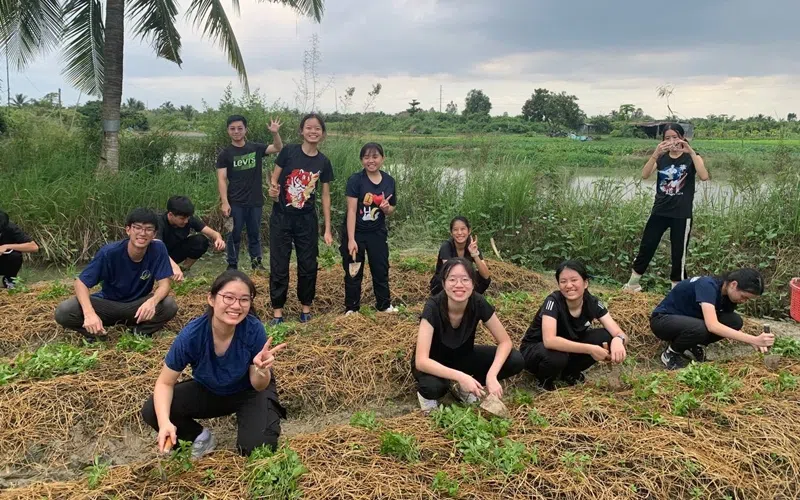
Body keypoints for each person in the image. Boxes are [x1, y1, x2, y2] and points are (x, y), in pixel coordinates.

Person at [141, 270, 287, 458]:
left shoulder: (253, 329)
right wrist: (164, 423)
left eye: (244, 299)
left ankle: (252, 421)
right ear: (211, 299)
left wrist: (261, 370)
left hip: (249, 391)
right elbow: (164, 383)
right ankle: (199, 437)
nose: (236, 305)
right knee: (153, 410)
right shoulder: (192, 335)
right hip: (211, 389)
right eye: (228, 297)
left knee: (257, 449)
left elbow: (259, 385)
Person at [413, 257, 524, 413]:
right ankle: (431, 394)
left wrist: (491, 376)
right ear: (444, 283)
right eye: (452, 279)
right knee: (434, 388)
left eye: (465, 279)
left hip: (462, 357)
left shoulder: (478, 302)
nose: (459, 285)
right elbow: (421, 361)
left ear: (473, 283)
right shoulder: (433, 306)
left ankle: (464, 387)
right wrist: (461, 376)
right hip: (434, 363)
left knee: (515, 359)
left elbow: (505, 341)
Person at [54, 208, 178, 339]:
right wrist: (89, 313)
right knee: (64, 311)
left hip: (137, 306)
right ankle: (96, 334)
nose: (142, 233)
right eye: (137, 228)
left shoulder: (158, 249)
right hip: (107, 304)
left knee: (169, 305)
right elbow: (80, 283)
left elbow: (165, 284)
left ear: (154, 234)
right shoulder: (109, 252)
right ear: (128, 230)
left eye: (148, 229)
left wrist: (152, 301)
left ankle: (139, 332)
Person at [624, 123, 709, 292]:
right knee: (647, 246)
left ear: (683, 138)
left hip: (681, 214)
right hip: (660, 211)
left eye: (675, 137)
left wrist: (691, 152)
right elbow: (645, 175)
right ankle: (633, 284)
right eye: (667, 138)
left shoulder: (693, 157)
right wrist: (655, 154)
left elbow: (704, 176)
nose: (672, 141)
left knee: (678, 253)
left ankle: (677, 291)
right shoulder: (662, 158)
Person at [267, 113, 334, 325]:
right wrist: (273, 191)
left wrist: (327, 228)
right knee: (279, 263)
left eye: (317, 128)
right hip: (282, 217)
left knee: (308, 264)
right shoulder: (288, 151)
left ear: (323, 134)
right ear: (301, 131)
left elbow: (325, 196)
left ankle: (306, 308)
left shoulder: (324, 162)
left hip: (307, 220)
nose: (313, 131)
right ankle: (278, 311)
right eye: (309, 127)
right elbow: (274, 180)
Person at [520, 260, 628, 391]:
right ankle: (544, 382)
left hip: (567, 349)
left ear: (585, 283)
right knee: (557, 356)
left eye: (574, 280)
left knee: (607, 336)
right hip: (537, 350)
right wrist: (590, 349)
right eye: (563, 281)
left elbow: (619, 333)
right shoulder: (553, 302)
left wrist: (618, 339)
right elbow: (549, 341)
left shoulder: (592, 303)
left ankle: (570, 373)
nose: (569, 285)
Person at [650, 268, 773, 370]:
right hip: (663, 320)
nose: (743, 301)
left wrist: (752, 341)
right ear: (734, 284)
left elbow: (723, 325)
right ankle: (671, 353)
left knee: (734, 321)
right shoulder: (707, 285)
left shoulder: (727, 296)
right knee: (700, 328)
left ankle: (693, 346)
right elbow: (712, 325)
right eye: (743, 296)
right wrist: (753, 339)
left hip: (689, 321)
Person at [216, 115, 283, 271]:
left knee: (254, 233)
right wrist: (225, 202)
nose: (236, 131)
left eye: (240, 128)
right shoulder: (225, 154)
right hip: (235, 202)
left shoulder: (255, 148)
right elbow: (222, 179)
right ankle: (232, 265)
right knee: (233, 234)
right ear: (228, 131)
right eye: (232, 129)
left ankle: (256, 263)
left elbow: (278, 147)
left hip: (255, 201)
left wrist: (275, 133)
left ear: (246, 129)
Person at [341, 142, 397, 315]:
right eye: (366, 157)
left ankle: (384, 305)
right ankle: (352, 308)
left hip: (377, 232)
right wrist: (351, 239)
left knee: (381, 268)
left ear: (382, 158)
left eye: (375, 157)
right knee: (353, 270)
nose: (370, 161)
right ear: (361, 160)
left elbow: (392, 209)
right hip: (356, 232)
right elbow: (351, 210)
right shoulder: (355, 180)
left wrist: (386, 208)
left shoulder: (389, 181)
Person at [158, 196, 226, 282]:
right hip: (158, 256)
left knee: (200, 241)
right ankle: (167, 272)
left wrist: (219, 239)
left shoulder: (188, 219)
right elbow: (158, 249)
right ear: (170, 215)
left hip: (175, 252)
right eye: (182, 219)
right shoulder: (159, 223)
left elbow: (214, 233)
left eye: (188, 218)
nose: (186, 221)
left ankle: (184, 270)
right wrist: (174, 267)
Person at [430, 216, 490, 296]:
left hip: (463, 279)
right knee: (449, 279)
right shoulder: (446, 246)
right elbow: (449, 272)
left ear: (469, 231)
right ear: (451, 232)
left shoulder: (472, 245)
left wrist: (475, 254)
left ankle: (469, 297)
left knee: (484, 279)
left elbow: (486, 275)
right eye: (455, 230)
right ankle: (453, 298)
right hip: (444, 282)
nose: (459, 233)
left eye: (463, 229)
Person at [0, 210, 39, 289]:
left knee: (15, 255)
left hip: (3, 262)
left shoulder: (10, 228)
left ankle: (9, 280)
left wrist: (6, 246)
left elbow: (34, 247)